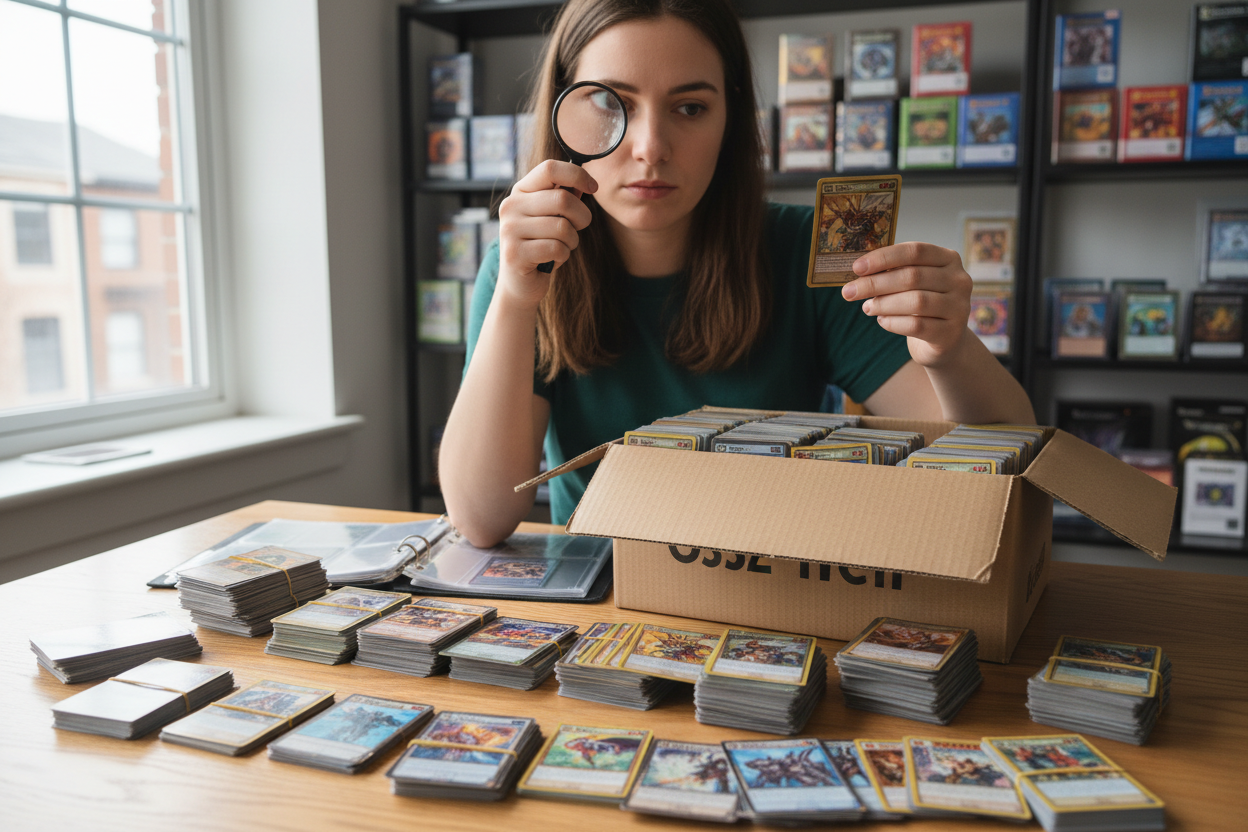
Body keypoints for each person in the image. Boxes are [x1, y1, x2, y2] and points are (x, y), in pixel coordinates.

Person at [440, 0, 1035, 547]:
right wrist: (517, 298)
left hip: (768, 584)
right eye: (610, 103)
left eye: (690, 107)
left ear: (731, 119)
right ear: (562, 108)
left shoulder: (808, 247)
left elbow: (1000, 466)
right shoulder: (523, 266)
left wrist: (950, 347)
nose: (650, 146)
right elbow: (481, 517)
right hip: (605, 597)